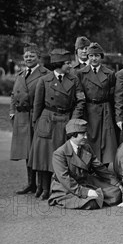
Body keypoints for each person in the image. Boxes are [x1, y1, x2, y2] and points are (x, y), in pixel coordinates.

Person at [30, 49, 85, 200]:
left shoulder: (74, 80)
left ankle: (56, 189)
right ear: (59, 64)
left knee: (60, 156)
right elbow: (37, 104)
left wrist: (73, 121)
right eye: (67, 63)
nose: (70, 65)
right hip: (47, 120)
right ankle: (43, 188)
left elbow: (80, 101)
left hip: (65, 121)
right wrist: (36, 123)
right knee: (43, 156)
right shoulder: (44, 80)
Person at [48, 119, 122, 209]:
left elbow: (99, 168)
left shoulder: (86, 147)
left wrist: (117, 183)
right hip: (66, 188)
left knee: (116, 192)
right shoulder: (59, 153)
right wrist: (85, 192)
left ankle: (96, 197)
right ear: (73, 135)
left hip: (85, 181)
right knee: (91, 203)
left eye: (86, 134)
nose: (86, 137)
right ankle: (93, 198)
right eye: (83, 134)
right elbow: (65, 179)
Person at [10, 43, 50, 195]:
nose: (28, 58)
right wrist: (11, 112)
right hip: (21, 117)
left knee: (37, 150)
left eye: (32, 56)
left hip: (36, 116)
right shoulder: (20, 75)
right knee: (27, 152)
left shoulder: (45, 74)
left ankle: (41, 185)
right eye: (26, 56)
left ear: (38, 58)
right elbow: (13, 96)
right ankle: (30, 183)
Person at [76, 42, 118, 165]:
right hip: (88, 110)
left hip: (105, 110)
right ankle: (89, 170)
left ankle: (104, 170)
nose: (94, 59)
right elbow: (79, 94)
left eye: (97, 56)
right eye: (91, 56)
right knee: (89, 140)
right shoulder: (80, 73)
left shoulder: (109, 74)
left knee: (106, 142)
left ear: (101, 57)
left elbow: (112, 95)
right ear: (87, 57)